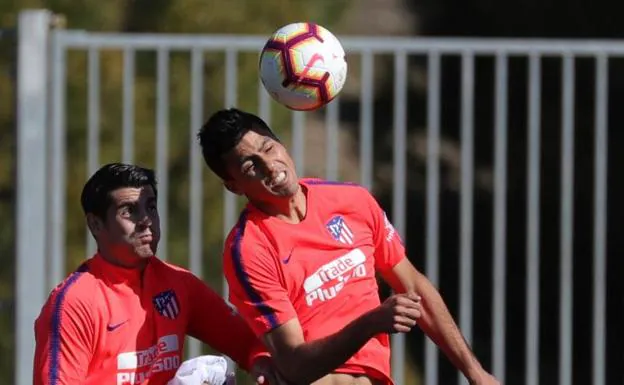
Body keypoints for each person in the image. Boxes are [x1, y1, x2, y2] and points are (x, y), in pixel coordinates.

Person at [197, 108, 500, 385]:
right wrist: (371, 322)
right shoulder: (250, 249)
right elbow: (294, 365)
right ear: (233, 186)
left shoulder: (352, 200)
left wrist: (475, 372)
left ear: (281, 144)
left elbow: (413, 287)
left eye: (269, 148)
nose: (270, 167)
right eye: (251, 166)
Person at [33, 163, 274, 385]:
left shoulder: (178, 283)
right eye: (129, 211)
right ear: (95, 224)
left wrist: (262, 364)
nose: (146, 220)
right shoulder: (75, 303)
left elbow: (246, 341)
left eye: (150, 206)